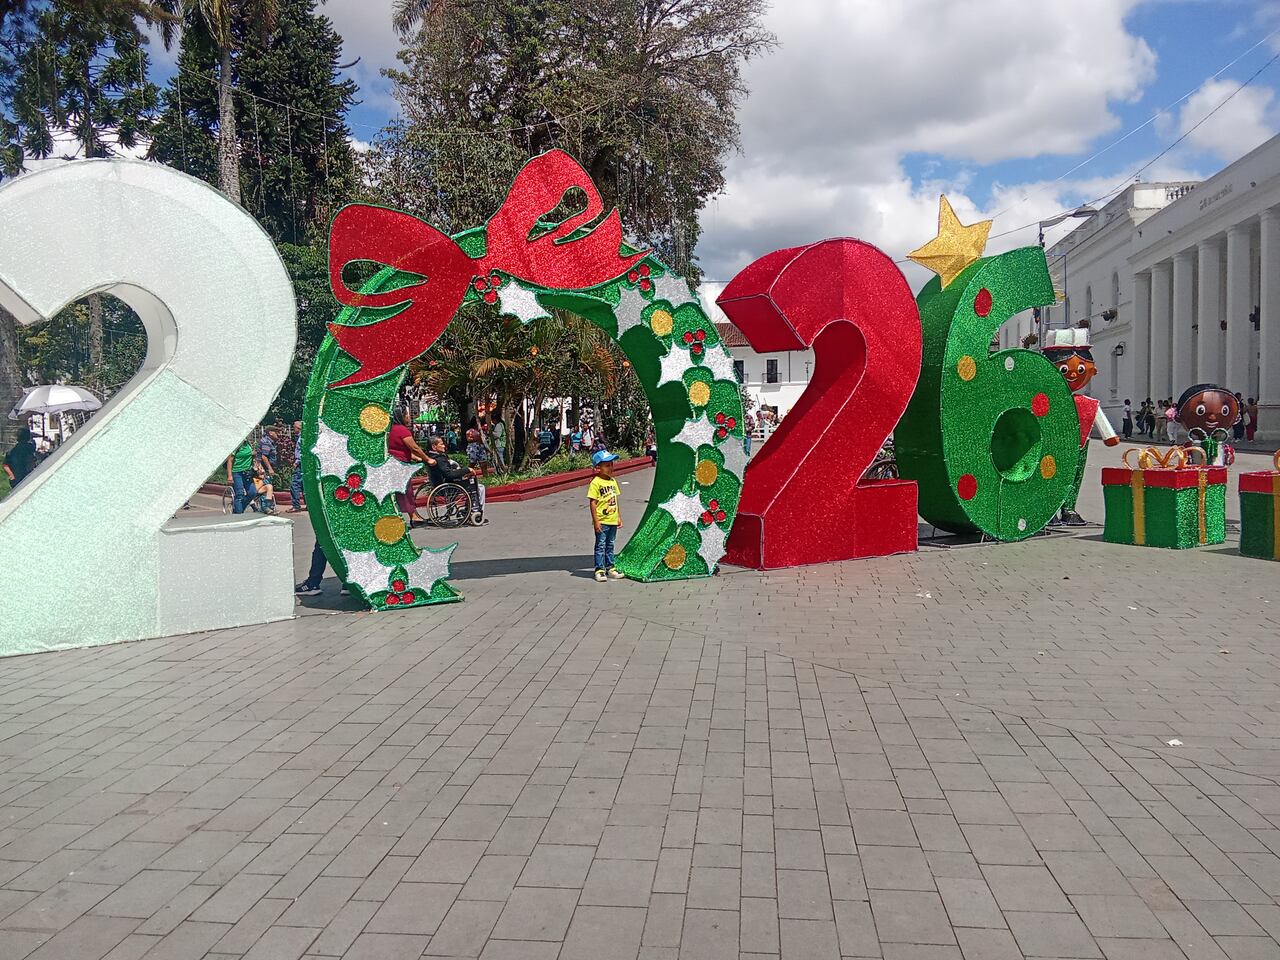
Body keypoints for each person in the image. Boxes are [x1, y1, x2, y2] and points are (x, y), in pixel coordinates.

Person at [1041, 329, 1118, 526]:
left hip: (1081, 446)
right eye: (1064, 369)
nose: (1074, 373)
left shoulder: (1087, 403)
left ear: (1093, 370)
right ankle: (1049, 510)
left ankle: (1069, 508)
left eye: (1081, 369)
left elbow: (1101, 420)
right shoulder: (1047, 401)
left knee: (1076, 474)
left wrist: (1109, 436)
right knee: (1050, 474)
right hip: (1052, 444)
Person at [1176, 383, 1239, 467]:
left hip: (1217, 472)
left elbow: (1229, 459)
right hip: (1195, 472)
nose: (1212, 417)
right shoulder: (1189, 447)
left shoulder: (1224, 448)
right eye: (1200, 410)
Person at [425, 436, 486, 523]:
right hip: (448, 486)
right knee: (480, 487)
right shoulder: (439, 458)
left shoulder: (431, 456)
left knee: (472, 484)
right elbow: (450, 474)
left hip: (441, 484)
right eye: (441, 444)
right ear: (434, 447)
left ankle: (468, 509)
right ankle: (476, 511)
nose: (444, 446)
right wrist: (467, 470)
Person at [587, 449, 625, 582]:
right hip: (602, 521)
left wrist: (618, 517)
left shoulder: (613, 481)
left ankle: (610, 567)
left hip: (612, 519)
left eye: (611, 465)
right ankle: (599, 569)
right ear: (598, 467)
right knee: (600, 545)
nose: (610, 468)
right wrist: (596, 521)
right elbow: (593, 503)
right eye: (607, 465)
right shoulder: (596, 482)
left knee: (610, 544)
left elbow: (615, 500)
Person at [389, 406, 431, 524]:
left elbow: (397, 449)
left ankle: (408, 515)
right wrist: (427, 459)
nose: (408, 417)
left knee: (397, 491)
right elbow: (414, 447)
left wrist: (415, 458)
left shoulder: (390, 430)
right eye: (406, 414)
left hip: (393, 463)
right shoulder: (402, 430)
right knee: (407, 491)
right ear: (401, 416)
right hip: (401, 465)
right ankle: (413, 516)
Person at [225, 436, 258, 513]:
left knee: (252, 492)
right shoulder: (236, 445)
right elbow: (230, 460)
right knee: (239, 493)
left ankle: (238, 509)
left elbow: (252, 455)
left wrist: (254, 455)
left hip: (247, 472)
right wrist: (230, 476)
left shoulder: (248, 444)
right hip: (237, 472)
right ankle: (239, 512)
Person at [289, 420, 305, 513]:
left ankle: (296, 506)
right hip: (303, 463)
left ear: (298, 428)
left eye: (294, 427)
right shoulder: (303, 437)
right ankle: (308, 505)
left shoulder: (301, 438)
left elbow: (302, 451)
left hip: (300, 464)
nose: (293, 429)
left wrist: (297, 462)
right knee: (304, 485)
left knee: (295, 484)